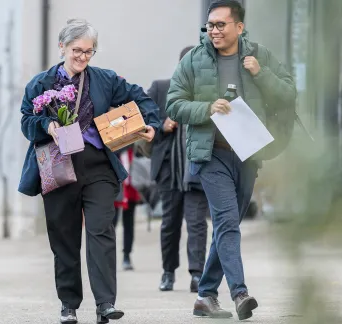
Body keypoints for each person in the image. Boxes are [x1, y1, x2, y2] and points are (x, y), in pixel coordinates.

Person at [18, 18, 160, 324]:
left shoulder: (105, 79)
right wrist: (47, 125)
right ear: (62, 47)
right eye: (77, 50)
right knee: (65, 237)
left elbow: (141, 97)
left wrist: (151, 124)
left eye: (89, 51)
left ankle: (105, 303)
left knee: (101, 231)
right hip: (56, 165)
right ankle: (68, 305)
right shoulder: (41, 84)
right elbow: (26, 121)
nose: (82, 57)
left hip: (97, 166)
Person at [167, 0, 296, 320]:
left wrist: (261, 74)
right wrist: (206, 108)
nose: (214, 30)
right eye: (210, 25)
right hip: (211, 154)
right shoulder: (194, 60)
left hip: (248, 153)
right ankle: (240, 293)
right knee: (226, 222)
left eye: (221, 24)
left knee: (228, 226)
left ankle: (206, 296)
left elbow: (288, 94)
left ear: (239, 27)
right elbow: (173, 104)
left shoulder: (260, 56)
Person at [148, 46, 210, 294]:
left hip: (196, 170)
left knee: (196, 224)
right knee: (170, 224)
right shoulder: (161, 89)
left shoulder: (207, 93)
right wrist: (162, 125)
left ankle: (197, 274)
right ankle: (168, 272)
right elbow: (142, 119)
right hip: (169, 171)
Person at [112, 146, 140, 271]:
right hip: (114, 179)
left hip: (130, 180)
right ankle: (108, 255)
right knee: (111, 222)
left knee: (129, 221)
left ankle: (127, 255)